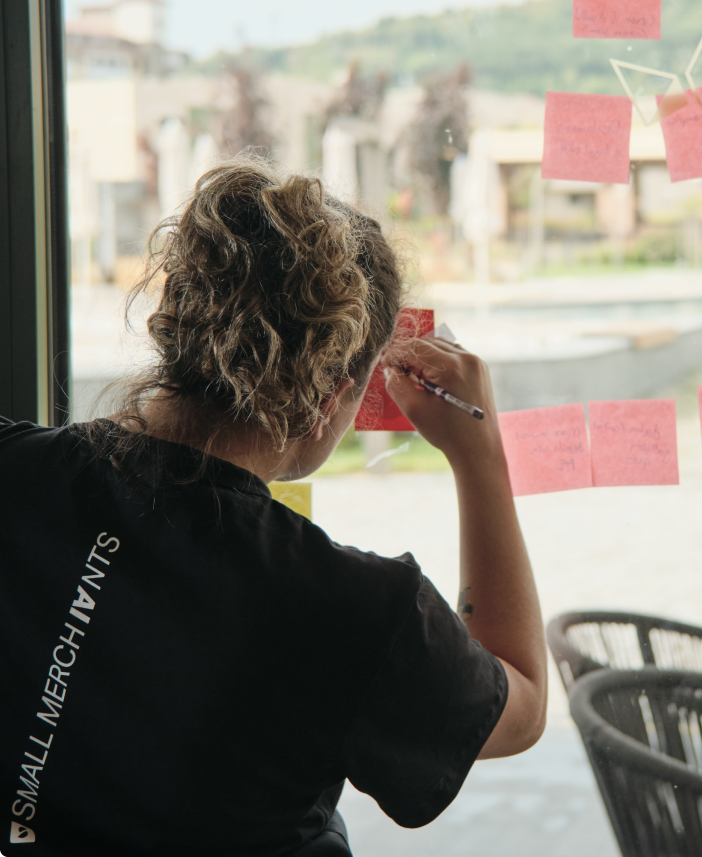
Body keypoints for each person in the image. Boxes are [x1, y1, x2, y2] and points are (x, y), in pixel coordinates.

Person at [0, 156, 547, 857]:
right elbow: (523, 704)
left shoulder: (16, 472)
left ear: (174, 322)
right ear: (326, 404)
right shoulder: (356, 611)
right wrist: (481, 457)